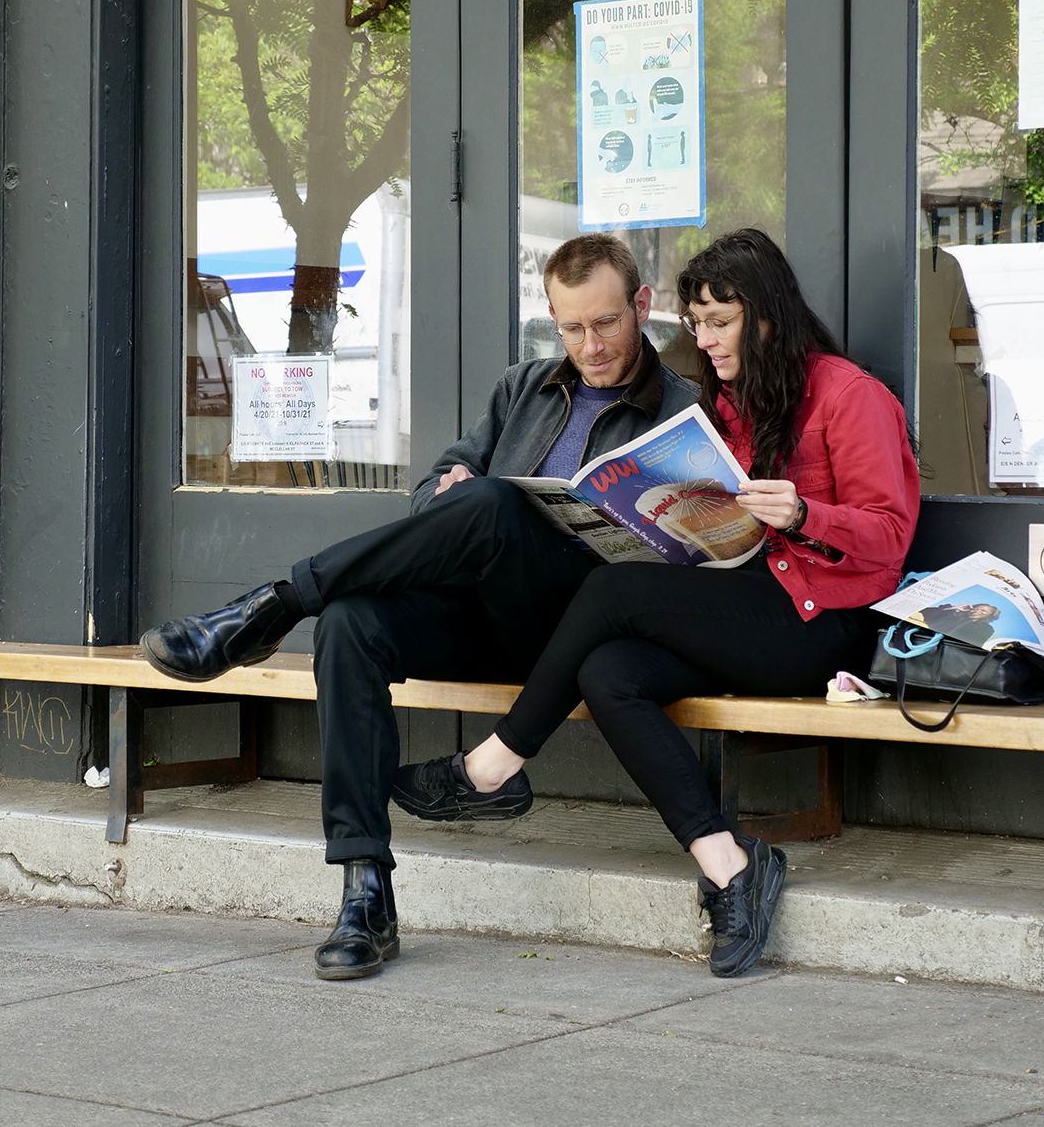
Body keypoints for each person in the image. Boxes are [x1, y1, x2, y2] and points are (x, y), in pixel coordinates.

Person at [140, 233, 697, 981]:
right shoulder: (525, 388)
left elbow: (689, 559)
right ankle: (364, 887)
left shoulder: (683, 412)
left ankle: (271, 606)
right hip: (483, 617)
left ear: (642, 306)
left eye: (605, 325)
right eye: (571, 328)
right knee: (349, 624)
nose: (589, 346)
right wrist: (447, 487)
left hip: (580, 636)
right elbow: (433, 484)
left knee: (497, 506)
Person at [397, 228, 921, 979]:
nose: (702, 340)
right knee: (610, 671)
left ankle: (492, 765)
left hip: (825, 624)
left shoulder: (849, 395)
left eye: (719, 321)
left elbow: (891, 540)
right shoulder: (736, 403)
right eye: (696, 322)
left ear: (766, 316)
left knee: (610, 590)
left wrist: (807, 515)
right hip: (753, 600)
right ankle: (729, 865)